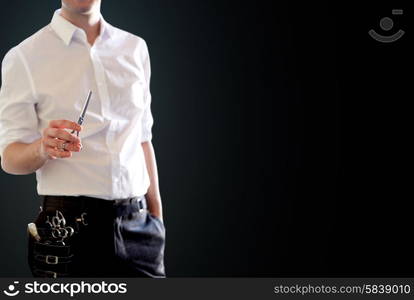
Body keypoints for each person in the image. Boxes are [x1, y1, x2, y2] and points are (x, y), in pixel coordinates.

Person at [0, 0, 166, 278]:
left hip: (141, 229)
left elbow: (142, 138)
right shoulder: (24, 57)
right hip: (67, 231)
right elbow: (9, 158)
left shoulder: (135, 47)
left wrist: (157, 217)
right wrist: (43, 148)